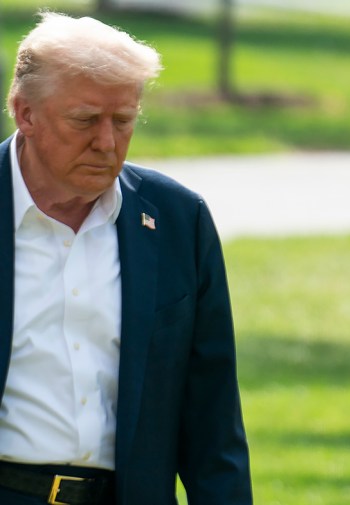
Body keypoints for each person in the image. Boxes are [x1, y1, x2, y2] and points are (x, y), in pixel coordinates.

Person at [0, 12, 252, 505]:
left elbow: (212, 417)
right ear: (25, 113)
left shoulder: (178, 219)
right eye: (85, 120)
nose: (106, 142)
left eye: (123, 120)